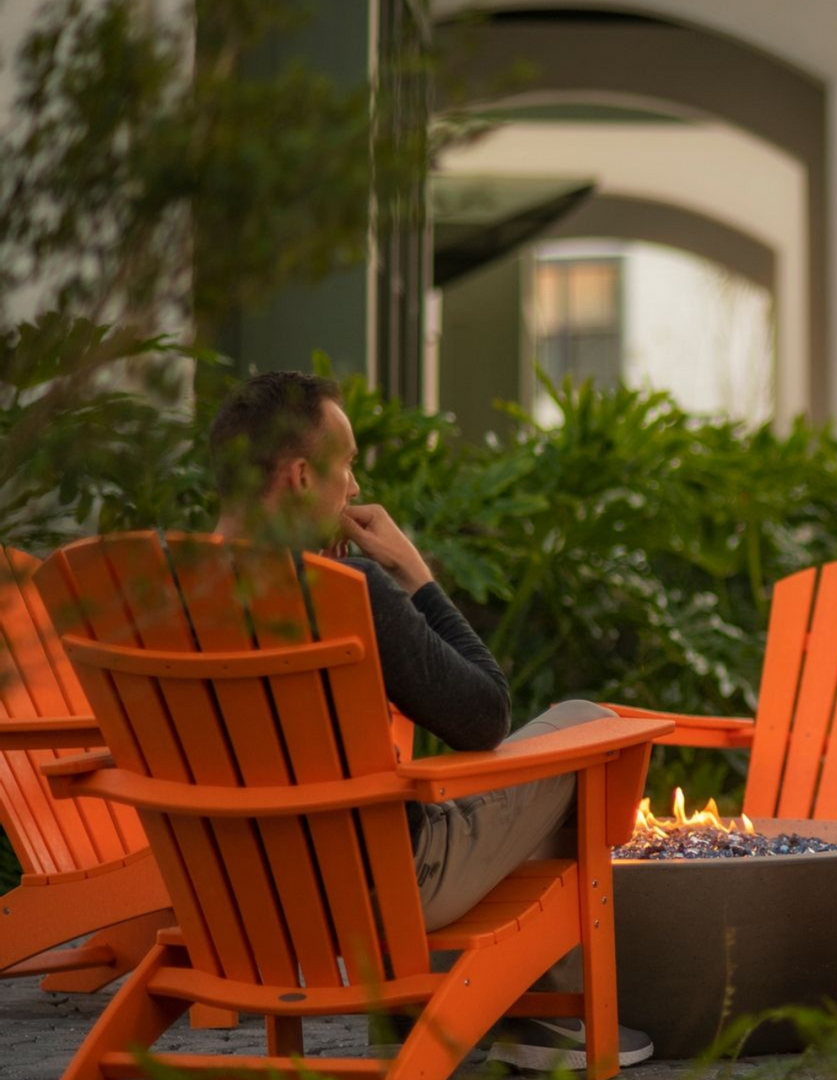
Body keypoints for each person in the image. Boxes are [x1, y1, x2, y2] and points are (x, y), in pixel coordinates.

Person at [207, 371, 652, 1071]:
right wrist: (416, 575)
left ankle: (463, 1010)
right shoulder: (344, 593)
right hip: (387, 893)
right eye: (346, 464)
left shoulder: (158, 595)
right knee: (585, 727)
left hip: (228, 894)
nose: (352, 488)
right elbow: (484, 716)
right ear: (298, 476)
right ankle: (537, 1018)